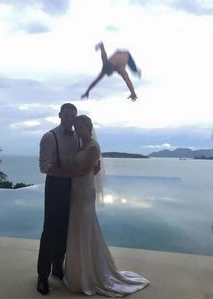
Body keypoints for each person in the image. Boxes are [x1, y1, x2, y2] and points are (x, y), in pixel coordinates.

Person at [64, 115, 149, 297]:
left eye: (81, 127)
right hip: (76, 191)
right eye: (76, 127)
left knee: (84, 229)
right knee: (78, 229)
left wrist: (62, 172)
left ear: (89, 127)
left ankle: (89, 275)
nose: (78, 130)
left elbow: (84, 171)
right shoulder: (82, 146)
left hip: (84, 192)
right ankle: (79, 272)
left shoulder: (93, 146)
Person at [37, 103, 82, 295]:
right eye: (67, 115)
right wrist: (70, 174)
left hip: (75, 186)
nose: (70, 119)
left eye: (73, 116)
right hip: (55, 185)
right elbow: (44, 167)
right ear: (59, 115)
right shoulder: (49, 137)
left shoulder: (79, 138)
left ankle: (57, 267)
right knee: (50, 230)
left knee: (66, 228)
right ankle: (42, 276)